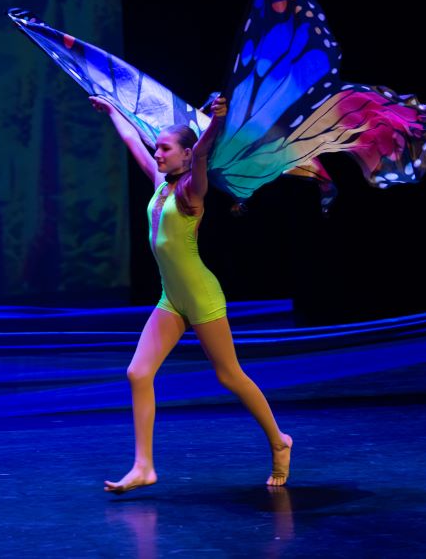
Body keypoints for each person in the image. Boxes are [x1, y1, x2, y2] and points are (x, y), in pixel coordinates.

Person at [89, 94, 293, 493]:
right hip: (172, 298)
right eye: (158, 147)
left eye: (165, 148)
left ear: (185, 155)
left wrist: (216, 122)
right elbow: (131, 139)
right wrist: (113, 111)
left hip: (200, 296)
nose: (157, 153)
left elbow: (201, 154)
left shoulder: (191, 192)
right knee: (138, 373)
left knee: (229, 375)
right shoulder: (160, 185)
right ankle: (144, 467)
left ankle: (279, 441)